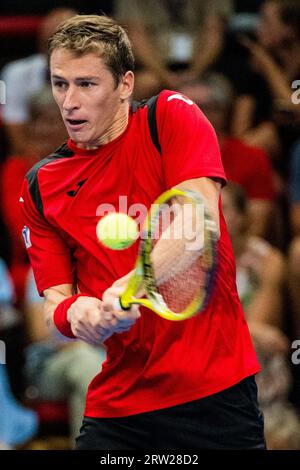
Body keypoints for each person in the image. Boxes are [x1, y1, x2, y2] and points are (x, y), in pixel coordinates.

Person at [20, 14, 265, 450]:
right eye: (60, 84)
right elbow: (54, 300)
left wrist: (137, 281)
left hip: (216, 395)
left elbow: (198, 218)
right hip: (119, 406)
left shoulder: (170, 117)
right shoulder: (42, 185)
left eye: (87, 84)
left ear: (125, 85)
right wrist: (80, 315)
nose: (69, 102)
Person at [221, 182, 300, 449]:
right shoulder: (186, 262)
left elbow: (258, 331)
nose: (214, 217)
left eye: (225, 209)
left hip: (261, 389)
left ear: (243, 216)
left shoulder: (267, 262)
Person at [179, 74, 277, 239]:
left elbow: (256, 227)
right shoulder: (157, 156)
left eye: (202, 106)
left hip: (234, 252)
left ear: (222, 111)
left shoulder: (251, 157)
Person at [1, 7, 76, 155]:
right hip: (35, 160)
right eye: (50, 43)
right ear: (40, 43)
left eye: (66, 44)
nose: (56, 50)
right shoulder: (16, 73)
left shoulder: (97, 76)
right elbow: (18, 139)